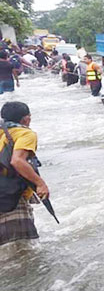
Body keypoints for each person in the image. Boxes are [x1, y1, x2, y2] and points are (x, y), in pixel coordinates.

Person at [0, 102, 50, 246]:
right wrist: (40, 184)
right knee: (21, 248)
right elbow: (17, 161)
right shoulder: (25, 133)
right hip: (10, 195)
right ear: (26, 119)